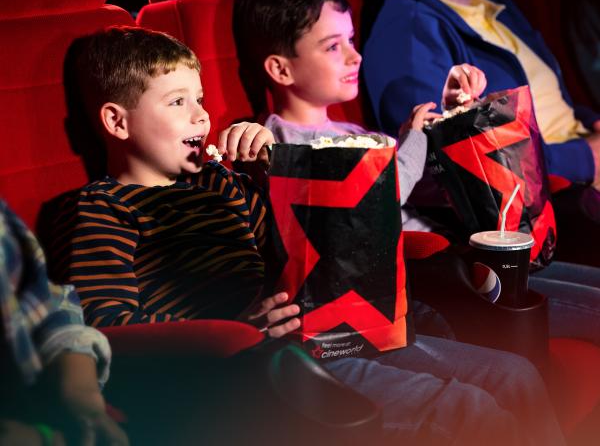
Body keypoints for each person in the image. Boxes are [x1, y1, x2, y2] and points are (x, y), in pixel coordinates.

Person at [49, 24, 563, 445]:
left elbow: (305, 245)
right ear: (117, 122)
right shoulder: (103, 208)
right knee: (472, 411)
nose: (202, 114)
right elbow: (108, 325)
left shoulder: (225, 183)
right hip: (254, 368)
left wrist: (275, 171)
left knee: (515, 375)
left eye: (201, 98)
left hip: (331, 329)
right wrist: (233, 323)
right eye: (178, 102)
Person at [232, 0, 570, 445]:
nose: (355, 57)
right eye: (333, 47)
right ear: (280, 69)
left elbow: (432, 189)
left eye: (351, 41)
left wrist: (455, 116)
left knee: (518, 376)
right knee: (488, 398)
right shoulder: (276, 148)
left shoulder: (360, 132)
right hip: (398, 299)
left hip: (434, 281)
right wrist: (413, 139)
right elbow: (376, 198)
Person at [361, 0, 600, 226]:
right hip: (547, 203)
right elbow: (440, 165)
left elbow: (549, 105)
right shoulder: (407, 31)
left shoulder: (491, 2)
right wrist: (585, 158)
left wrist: (590, 126)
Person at [0, 198, 128, 446]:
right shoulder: (102, 204)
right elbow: (108, 310)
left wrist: (78, 380)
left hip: (57, 410)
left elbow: (43, 301)